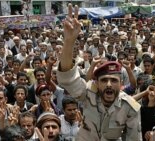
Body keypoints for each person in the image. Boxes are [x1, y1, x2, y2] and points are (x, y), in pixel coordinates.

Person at [56, 4, 141, 141]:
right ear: (96, 83)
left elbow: (133, 138)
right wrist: (69, 41)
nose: (108, 84)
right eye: (103, 80)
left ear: (121, 84)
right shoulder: (88, 94)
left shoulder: (130, 107)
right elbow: (67, 77)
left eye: (113, 80)